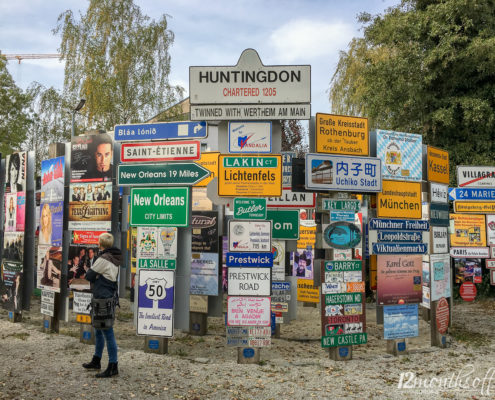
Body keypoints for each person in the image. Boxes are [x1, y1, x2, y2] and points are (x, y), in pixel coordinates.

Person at [83, 232, 122, 378]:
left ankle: (113, 365)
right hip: (107, 296)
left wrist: (96, 274)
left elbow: (89, 276)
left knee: (107, 331)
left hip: (102, 298)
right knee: (99, 330)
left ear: (100, 244)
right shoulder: (114, 256)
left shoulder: (104, 259)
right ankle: (96, 360)